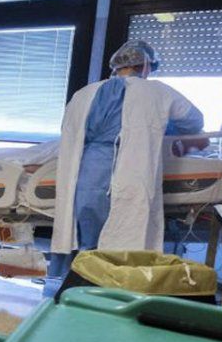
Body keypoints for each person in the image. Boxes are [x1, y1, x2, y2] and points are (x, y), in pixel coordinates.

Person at [51, 39, 204, 257]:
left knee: (89, 234)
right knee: (127, 233)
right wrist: (167, 127)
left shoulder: (84, 93)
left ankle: (85, 270)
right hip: (132, 167)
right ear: (146, 65)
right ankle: (115, 273)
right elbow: (194, 121)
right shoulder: (157, 91)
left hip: (88, 171)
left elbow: (69, 131)